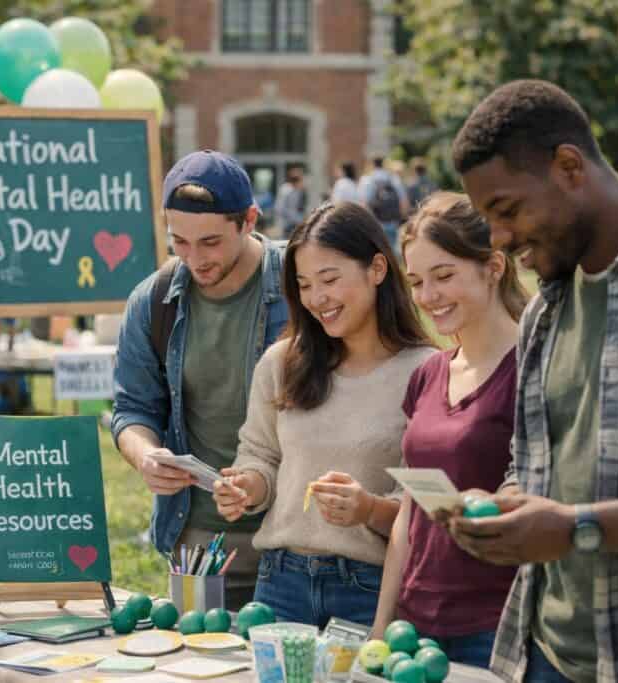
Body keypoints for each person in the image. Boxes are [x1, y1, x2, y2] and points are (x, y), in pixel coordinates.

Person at [446, 79, 618, 683]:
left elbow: (571, 519)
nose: (498, 239)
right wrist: (506, 510)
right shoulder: (543, 311)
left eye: (506, 210)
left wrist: (577, 526)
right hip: (542, 655)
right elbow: (536, 471)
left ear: (569, 166)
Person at [212, 202, 435, 627]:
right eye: (305, 285)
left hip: (370, 588)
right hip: (279, 584)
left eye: (329, 279)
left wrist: (367, 509)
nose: (318, 299)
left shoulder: (427, 372)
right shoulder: (282, 363)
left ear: (377, 269)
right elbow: (260, 456)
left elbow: (423, 508)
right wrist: (247, 486)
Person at [111, 150, 289, 609]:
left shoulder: (301, 283)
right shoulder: (151, 301)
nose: (194, 259)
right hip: (200, 546)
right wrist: (146, 456)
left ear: (249, 220)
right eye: (179, 242)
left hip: (299, 544)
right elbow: (132, 410)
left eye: (210, 242)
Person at [370, 192, 529, 667]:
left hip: (493, 627)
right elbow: (408, 515)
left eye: (444, 276)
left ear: (493, 267)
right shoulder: (429, 374)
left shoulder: (533, 368)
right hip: (414, 627)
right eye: (417, 282)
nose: (427, 297)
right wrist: (382, 623)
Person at [359, 157, 410, 251]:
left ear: (373, 165)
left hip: (376, 221)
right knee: (393, 249)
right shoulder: (393, 178)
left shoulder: (368, 180)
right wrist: (403, 217)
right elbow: (403, 200)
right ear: (383, 164)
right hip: (392, 219)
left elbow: (364, 203)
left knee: (379, 250)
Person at [274, 167, 307, 239]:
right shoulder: (285, 190)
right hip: (286, 224)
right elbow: (279, 208)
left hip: (295, 223)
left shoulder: (299, 191)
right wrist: (296, 217)